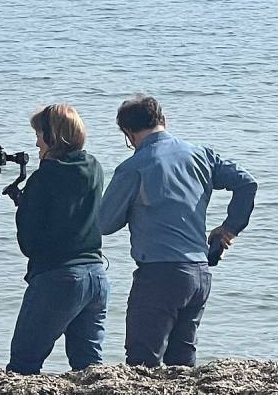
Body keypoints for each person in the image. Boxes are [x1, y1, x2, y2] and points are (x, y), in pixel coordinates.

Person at [98, 95, 257, 368]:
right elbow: (246, 184)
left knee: (142, 363)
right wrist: (229, 229)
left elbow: (104, 223)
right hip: (200, 272)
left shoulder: (133, 167)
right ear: (163, 120)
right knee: (183, 364)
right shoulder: (201, 155)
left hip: (159, 275)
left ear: (128, 133)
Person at [5, 103, 109, 374]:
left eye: (39, 135)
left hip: (58, 277)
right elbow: (68, 210)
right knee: (90, 369)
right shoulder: (94, 167)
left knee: (23, 364)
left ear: (53, 137)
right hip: (96, 276)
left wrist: (26, 205)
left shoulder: (44, 177)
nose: (36, 142)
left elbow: (29, 243)